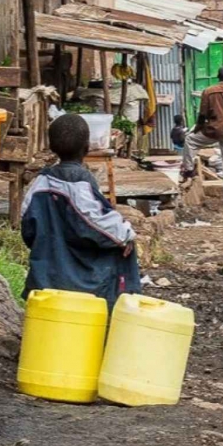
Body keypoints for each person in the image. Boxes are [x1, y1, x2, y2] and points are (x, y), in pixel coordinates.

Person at [21, 113, 141, 307]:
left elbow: (28, 230)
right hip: (82, 279)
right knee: (126, 243)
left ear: (52, 148)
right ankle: (116, 308)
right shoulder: (78, 184)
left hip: (46, 273)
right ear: (87, 148)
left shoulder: (38, 184)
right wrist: (126, 235)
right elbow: (97, 222)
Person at [181, 67, 223, 203]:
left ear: (218, 77)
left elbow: (202, 115)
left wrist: (197, 129)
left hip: (214, 129)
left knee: (190, 140)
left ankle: (188, 170)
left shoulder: (209, 91)